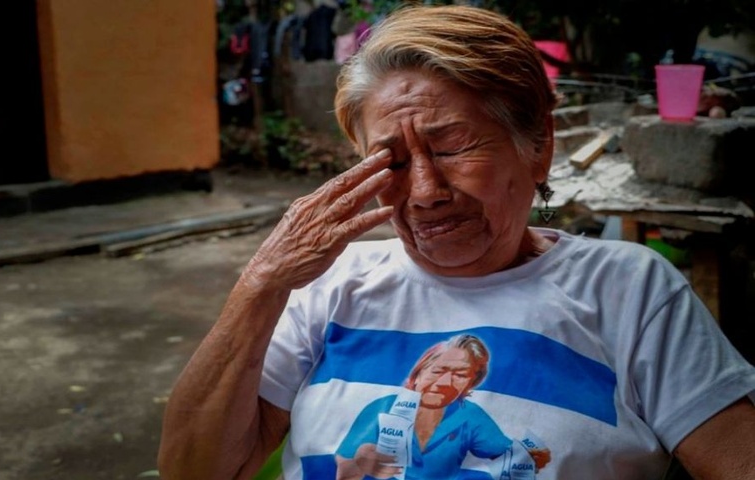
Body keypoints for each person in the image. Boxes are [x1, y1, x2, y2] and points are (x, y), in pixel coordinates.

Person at [158, 5, 755, 480]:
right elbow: (196, 469)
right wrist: (262, 282)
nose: (423, 191)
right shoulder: (330, 285)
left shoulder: (628, 288)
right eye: (388, 160)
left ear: (538, 145)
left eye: (452, 148)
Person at [335, 334, 551, 480]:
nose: (445, 383)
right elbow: (345, 470)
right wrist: (360, 461)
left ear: (471, 382)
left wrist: (534, 457)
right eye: (438, 371)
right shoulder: (382, 408)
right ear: (418, 373)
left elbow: (509, 456)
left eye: (460, 375)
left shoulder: (469, 416)